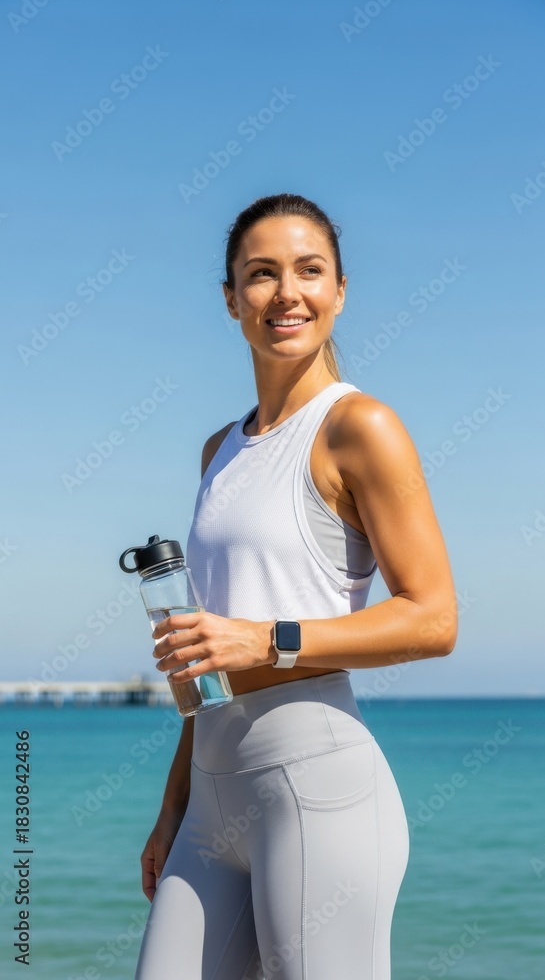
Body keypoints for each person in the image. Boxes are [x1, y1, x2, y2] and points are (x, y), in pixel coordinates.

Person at [133, 193, 457, 980]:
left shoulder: (359, 427)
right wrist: (173, 803)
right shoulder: (218, 449)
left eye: (309, 271)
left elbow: (432, 619)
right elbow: (206, 659)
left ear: (339, 291)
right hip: (208, 799)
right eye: (261, 274)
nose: (286, 293)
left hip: (317, 793)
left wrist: (264, 638)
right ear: (230, 299)